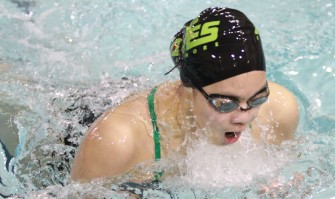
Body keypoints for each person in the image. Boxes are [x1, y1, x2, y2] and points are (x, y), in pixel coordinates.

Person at [70, 7, 300, 183]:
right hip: (80, 122)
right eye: (225, 103)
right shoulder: (119, 140)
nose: (243, 117)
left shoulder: (280, 109)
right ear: (188, 89)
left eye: (257, 98)